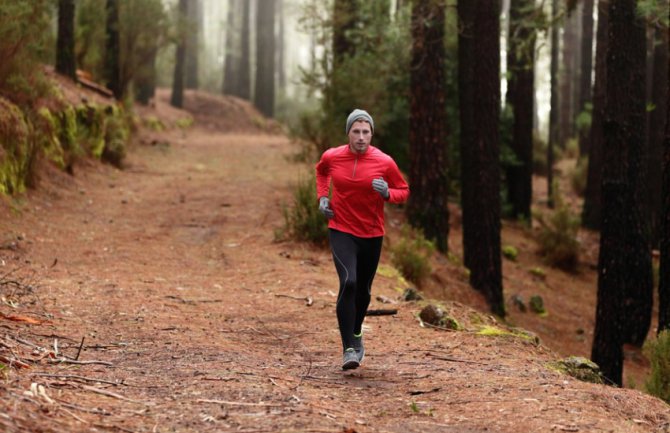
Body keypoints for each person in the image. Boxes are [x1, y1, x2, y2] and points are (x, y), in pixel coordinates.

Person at [315, 109, 410, 370]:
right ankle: (349, 349)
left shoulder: (384, 161)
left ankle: (356, 332)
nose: (360, 137)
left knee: (364, 292)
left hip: (371, 233)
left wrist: (388, 193)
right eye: (356, 131)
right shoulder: (333, 156)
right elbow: (321, 172)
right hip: (341, 228)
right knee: (349, 281)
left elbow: (404, 190)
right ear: (348, 133)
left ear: (372, 134)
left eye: (365, 132)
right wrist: (323, 197)